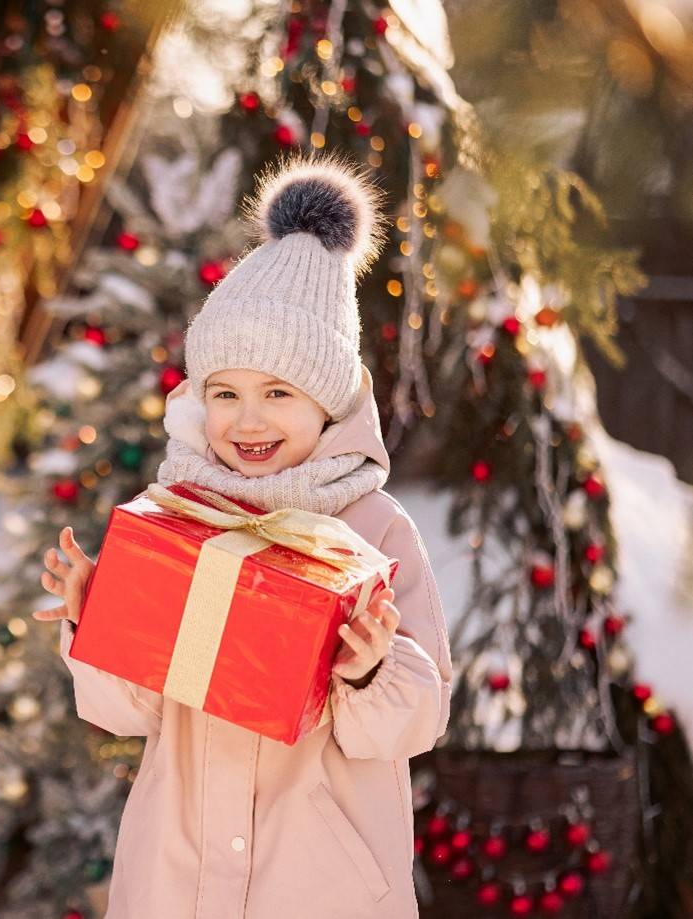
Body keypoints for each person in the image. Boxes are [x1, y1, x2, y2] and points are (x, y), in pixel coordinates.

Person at [34, 153, 453, 918]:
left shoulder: (372, 529)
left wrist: (366, 672)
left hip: (319, 882)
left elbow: (416, 723)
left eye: (277, 393)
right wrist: (91, 616)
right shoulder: (176, 517)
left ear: (325, 404)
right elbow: (128, 711)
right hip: (179, 876)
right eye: (224, 392)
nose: (247, 419)